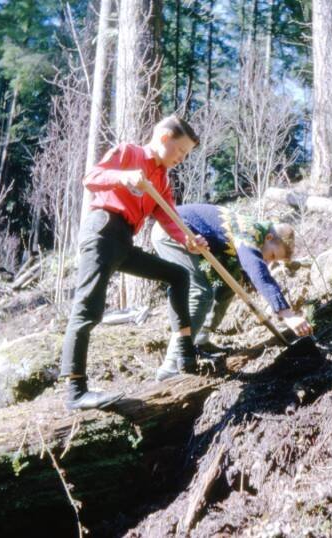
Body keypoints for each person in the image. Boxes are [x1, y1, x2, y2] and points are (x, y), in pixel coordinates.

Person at [60, 115, 208, 411]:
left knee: (178, 275)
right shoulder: (130, 153)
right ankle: (75, 391)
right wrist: (122, 176)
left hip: (125, 241)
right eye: (180, 152)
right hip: (102, 230)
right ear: (164, 138)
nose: (181, 159)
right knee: (89, 307)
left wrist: (189, 240)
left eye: (186, 155)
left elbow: (170, 219)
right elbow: (91, 178)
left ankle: (186, 354)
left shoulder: (162, 181)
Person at [151, 203, 313, 381]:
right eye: (273, 256)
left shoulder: (253, 236)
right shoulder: (249, 232)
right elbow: (257, 270)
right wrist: (287, 314)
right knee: (201, 291)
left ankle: (200, 340)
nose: (269, 262)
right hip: (171, 231)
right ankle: (172, 364)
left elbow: (248, 272)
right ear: (268, 237)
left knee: (230, 282)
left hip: (198, 245)